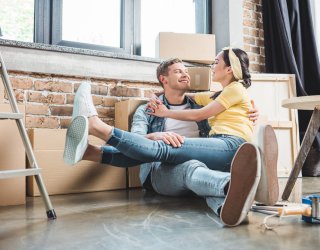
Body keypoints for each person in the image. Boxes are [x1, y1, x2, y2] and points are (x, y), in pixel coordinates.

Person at [63, 48, 278, 226]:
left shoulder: (201, 105)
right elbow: (136, 141)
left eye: (186, 71)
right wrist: (156, 134)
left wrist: (250, 108)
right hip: (160, 171)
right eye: (178, 71)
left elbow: (222, 110)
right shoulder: (148, 110)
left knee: (194, 166)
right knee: (178, 157)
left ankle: (227, 203)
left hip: (203, 168)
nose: (185, 75)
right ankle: (96, 129)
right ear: (163, 79)